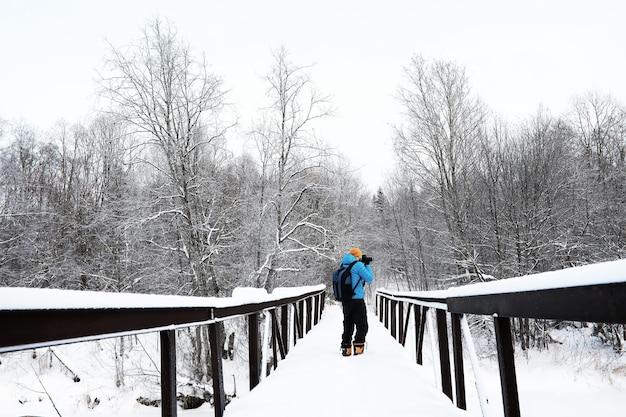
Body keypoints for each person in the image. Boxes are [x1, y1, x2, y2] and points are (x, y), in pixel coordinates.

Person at [340, 247, 374, 356]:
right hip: (357, 300)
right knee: (362, 325)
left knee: (348, 324)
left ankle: (346, 347)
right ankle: (358, 347)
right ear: (357, 256)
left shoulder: (343, 265)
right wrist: (367, 264)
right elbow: (369, 278)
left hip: (346, 300)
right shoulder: (358, 265)